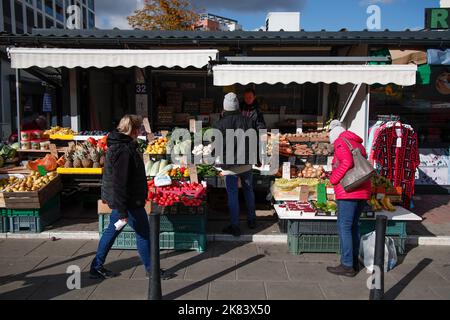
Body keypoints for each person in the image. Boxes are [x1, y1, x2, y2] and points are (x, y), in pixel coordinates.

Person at [90, 114, 151, 279]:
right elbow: (120, 183)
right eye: (138, 129)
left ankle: (96, 267)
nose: (140, 132)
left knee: (112, 230)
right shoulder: (124, 150)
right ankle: (151, 270)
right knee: (144, 233)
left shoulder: (120, 145)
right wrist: (123, 211)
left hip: (122, 201)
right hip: (129, 202)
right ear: (132, 130)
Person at [326, 120, 371, 277]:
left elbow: (347, 161)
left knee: (344, 226)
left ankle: (346, 265)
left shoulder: (340, 142)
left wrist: (333, 178)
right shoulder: (357, 143)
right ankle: (353, 261)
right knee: (353, 226)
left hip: (349, 191)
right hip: (363, 190)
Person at [213, 93, 258, 237]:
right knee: (248, 191)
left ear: (225, 107)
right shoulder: (248, 121)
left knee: (232, 194)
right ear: (237, 106)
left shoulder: (219, 124)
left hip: (229, 166)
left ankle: (235, 226)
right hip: (246, 164)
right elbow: (255, 141)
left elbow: (215, 146)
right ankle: (252, 221)